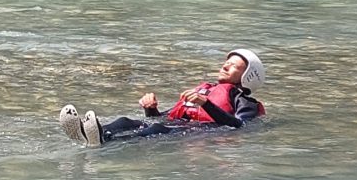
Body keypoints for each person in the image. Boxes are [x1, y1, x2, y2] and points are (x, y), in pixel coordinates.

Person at [59, 49, 263, 147]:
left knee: (156, 130)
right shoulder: (206, 90)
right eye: (226, 61)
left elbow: (240, 125)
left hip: (199, 131)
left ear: (247, 76)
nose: (225, 65)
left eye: (234, 65)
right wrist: (151, 109)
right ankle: (95, 132)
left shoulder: (244, 101)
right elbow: (165, 117)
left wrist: (206, 104)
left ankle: (104, 140)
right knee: (126, 121)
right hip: (178, 124)